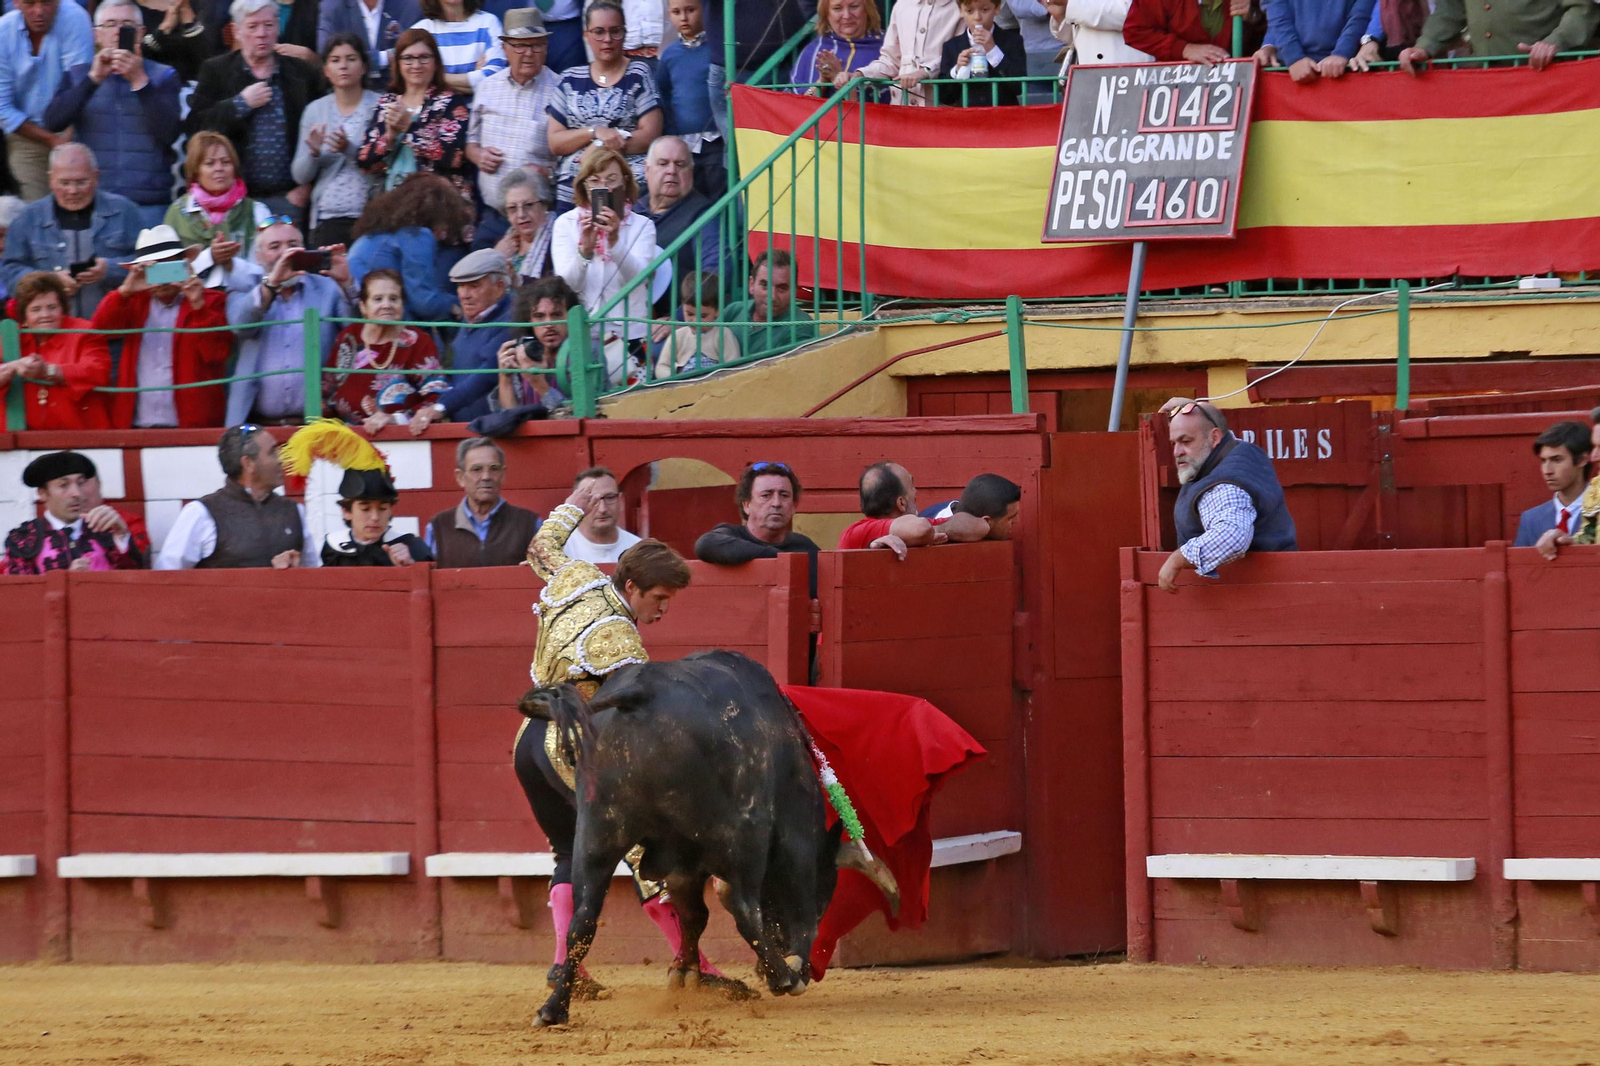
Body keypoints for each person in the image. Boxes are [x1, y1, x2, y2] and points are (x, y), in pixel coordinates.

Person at [515, 485, 741, 1001]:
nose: (663, 610)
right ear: (634, 585)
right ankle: (695, 965)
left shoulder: (575, 576)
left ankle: (564, 969)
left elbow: (539, 546)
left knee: (569, 851)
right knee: (645, 849)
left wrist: (574, 501)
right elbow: (638, 707)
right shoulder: (621, 638)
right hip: (569, 742)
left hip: (528, 741)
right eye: (659, 599)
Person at [42, 0, 182, 229]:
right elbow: (53, 121)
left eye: (127, 25)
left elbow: (169, 133)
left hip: (149, 203)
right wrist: (92, 80)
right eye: (110, 24)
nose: (118, 32)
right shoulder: (78, 74)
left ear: (141, 33)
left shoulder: (163, 75)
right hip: (95, 204)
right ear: (96, 35)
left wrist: (140, 81)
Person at [187, 0, 326, 218]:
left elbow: (321, 130)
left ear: (278, 27)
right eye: (253, 26)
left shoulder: (301, 74)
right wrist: (240, 104)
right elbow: (196, 127)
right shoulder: (216, 71)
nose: (262, 34)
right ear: (236, 31)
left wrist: (306, 188)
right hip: (234, 201)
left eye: (269, 25)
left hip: (290, 198)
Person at [93, 225, 232, 430]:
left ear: (183, 265)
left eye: (168, 266)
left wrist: (198, 305)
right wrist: (124, 291)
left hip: (192, 423)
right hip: (137, 422)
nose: (163, 276)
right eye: (154, 268)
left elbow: (218, 354)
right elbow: (100, 328)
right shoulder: (132, 301)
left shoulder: (210, 300)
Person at [1157, 399, 1298, 592]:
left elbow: (1232, 537)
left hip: (1255, 596)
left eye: (1186, 441)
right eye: (1174, 443)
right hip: (1279, 586)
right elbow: (1224, 434)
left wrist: (1176, 560)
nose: (1176, 452)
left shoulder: (1223, 486)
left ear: (1214, 438)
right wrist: (1195, 407)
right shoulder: (1241, 450)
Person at [224, 220, 355, 426]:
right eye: (274, 247)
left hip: (318, 424)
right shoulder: (244, 286)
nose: (286, 253)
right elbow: (240, 326)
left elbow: (357, 333)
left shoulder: (327, 287)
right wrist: (272, 284)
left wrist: (347, 283)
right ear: (258, 257)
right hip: (257, 427)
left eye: (292, 245)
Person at [552, 146, 658, 385]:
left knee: (633, 410)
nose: (605, 187)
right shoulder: (565, 224)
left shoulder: (643, 226)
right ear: (584, 187)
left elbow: (640, 278)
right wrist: (585, 252)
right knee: (590, 407)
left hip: (632, 336)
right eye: (595, 181)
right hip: (585, 337)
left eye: (612, 180)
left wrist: (614, 241)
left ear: (625, 182)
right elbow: (565, 286)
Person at [0, 144, 143, 320]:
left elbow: (148, 265)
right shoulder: (27, 219)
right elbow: (10, 272)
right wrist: (49, 281)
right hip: (53, 335)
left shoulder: (125, 211)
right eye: (64, 183)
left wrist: (109, 269)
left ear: (96, 177)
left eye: (81, 182)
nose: (73, 191)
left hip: (117, 330)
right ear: (51, 180)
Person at [546, 0, 663, 211]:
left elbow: (650, 135)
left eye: (615, 31)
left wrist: (601, 147)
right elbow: (555, 141)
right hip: (576, 182)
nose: (607, 39)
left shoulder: (638, 73)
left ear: (625, 34)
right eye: (598, 32)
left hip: (625, 179)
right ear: (586, 35)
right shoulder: (569, 78)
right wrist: (595, 133)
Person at [156, 425, 321, 569]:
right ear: (248, 463)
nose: (281, 459)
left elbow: (313, 573)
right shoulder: (200, 514)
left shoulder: (293, 511)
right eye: (272, 452)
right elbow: (167, 578)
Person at [279, 418, 435, 565]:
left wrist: (411, 566)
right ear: (347, 511)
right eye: (365, 508)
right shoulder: (334, 549)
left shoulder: (412, 547)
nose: (375, 517)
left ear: (390, 511)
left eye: (382, 508)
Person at [466, 8, 560, 245]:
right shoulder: (487, 87)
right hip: (493, 216)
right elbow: (470, 142)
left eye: (536, 45)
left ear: (547, 47)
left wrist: (548, 173)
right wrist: (478, 155)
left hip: (540, 215)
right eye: (520, 45)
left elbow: (575, 157)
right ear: (505, 48)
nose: (528, 53)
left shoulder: (562, 90)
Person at [356, 28, 473, 199]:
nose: (416, 65)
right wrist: (390, 137)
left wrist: (409, 128)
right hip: (394, 203)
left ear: (436, 63)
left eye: (424, 57)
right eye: (408, 58)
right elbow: (365, 163)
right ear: (398, 63)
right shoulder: (386, 103)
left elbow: (452, 157)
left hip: (440, 203)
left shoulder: (451, 102)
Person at [323, 267, 446, 430]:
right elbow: (328, 390)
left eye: (394, 299)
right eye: (378, 299)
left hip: (401, 437)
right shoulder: (349, 337)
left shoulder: (418, 341)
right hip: (347, 436)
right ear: (363, 307)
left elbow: (437, 396)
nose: (386, 305)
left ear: (402, 305)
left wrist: (397, 419)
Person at [292, 33, 382, 250]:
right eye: (335, 60)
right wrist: (313, 153)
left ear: (363, 66)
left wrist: (348, 149)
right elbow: (299, 175)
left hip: (369, 214)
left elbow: (382, 163)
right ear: (325, 70)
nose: (343, 66)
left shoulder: (379, 105)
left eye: (351, 59)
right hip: (327, 216)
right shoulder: (315, 110)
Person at [408, 247, 515, 430]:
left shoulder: (512, 319)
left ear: (499, 288)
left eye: (474, 286)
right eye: (460, 286)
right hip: (464, 429)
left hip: (495, 433)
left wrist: (442, 407)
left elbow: (486, 375)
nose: (464, 295)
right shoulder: (472, 317)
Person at [345, 172, 474, 321]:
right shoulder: (417, 235)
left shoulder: (382, 232)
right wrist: (458, 304)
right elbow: (424, 302)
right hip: (379, 310)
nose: (445, 234)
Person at [0, 0, 93, 202]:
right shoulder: (3, 31)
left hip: (74, 128)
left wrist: (66, 137)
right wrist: (51, 140)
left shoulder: (75, 18)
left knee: (78, 201)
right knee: (34, 209)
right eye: (30, 3)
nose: (39, 11)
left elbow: (80, 85)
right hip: (25, 134)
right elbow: (2, 108)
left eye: (47, 3)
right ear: (16, 3)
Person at [0, 271, 110, 431]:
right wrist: (12, 368)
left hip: (80, 432)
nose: (45, 315)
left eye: (52, 307)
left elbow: (98, 371)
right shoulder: (8, 337)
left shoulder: (84, 331)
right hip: (19, 440)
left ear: (63, 309)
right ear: (23, 316)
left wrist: (48, 371)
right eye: (36, 309)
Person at [164, 131, 275, 288]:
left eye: (226, 162)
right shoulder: (176, 213)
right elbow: (164, 274)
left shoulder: (257, 211)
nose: (219, 169)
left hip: (245, 298)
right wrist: (209, 257)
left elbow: (269, 272)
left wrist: (232, 264)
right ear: (196, 171)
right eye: (210, 163)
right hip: (192, 301)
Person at [2, 451, 140, 574]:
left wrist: (122, 535)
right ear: (43, 493)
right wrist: (66, 583)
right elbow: (19, 597)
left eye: (80, 483)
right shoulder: (24, 538)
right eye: (63, 485)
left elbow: (136, 586)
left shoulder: (107, 531)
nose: (77, 493)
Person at [424, 435, 541, 566]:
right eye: (476, 469)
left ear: (502, 475)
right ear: (460, 477)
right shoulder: (439, 526)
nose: (486, 477)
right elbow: (425, 571)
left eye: (494, 469)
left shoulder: (529, 523)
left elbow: (554, 573)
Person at [838, 460, 991, 555]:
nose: (916, 492)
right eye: (912, 486)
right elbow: (920, 529)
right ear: (902, 504)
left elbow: (981, 527)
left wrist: (935, 531)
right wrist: (929, 533)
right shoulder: (855, 532)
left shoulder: (922, 525)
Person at [1396, 0, 1592, 73]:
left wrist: (1556, 41)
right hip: (1489, 81)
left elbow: (1584, 8)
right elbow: (1450, 10)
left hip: (1549, 74)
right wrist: (1424, 47)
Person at [694, 461, 819, 570]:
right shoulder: (730, 535)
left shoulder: (805, 548)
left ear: (794, 506)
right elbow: (705, 545)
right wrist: (781, 559)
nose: (776, 503)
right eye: (766, 495)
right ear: (747, 505)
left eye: (784, 495)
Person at [656, 0, 724, 196]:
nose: (684, 18)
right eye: (676, 12)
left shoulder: (717, 48)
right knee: (689, 198)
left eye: (690, 10)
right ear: (669, 14)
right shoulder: (669, 55)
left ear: (704, 9)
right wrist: (670, 131)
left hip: (714, 140)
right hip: (682, 145)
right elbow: (663, 94)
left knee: (716, 193)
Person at [838, 0, 960, 105]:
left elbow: (959, 52)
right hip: (901, 107)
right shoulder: (902, 5)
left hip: (939, 108)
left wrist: (926, 71)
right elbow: (890, 60)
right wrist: (861, 75)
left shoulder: (958, 6)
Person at [638, 135, 720, 287]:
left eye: (680, 165)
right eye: (663, 163)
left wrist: (685, 311)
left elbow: (715, 269)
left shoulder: (703, 214)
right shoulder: (629, 205)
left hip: (675, 308)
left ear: (691, 172)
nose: (672, 171)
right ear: (647, 169)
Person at [492, 274, 576, 412]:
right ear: (529, 321)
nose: (548, 324)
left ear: (571, 316)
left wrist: (538, 384)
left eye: (556, 315)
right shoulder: (523, 353)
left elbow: (576, 418)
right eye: (539, 316)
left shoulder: (587, 351)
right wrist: (505, 377)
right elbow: (508, 420)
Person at [720, 249, 818, 359]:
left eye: (782, 288)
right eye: (765, 285)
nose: (772, 297)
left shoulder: (800, 326)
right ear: (751, 284)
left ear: (794, 291)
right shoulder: (734, 310)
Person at [1513, 420, 1592, 548]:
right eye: (1543, 461)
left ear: (1582, 460)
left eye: (1557, 460)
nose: (1547, 470)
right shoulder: (1531, 519)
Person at [1252, 0, 1372, 83]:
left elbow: (1360, 15)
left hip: (1347, 69)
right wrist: (1294, 57)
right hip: (1287, 70)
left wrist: (1341, 53)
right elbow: (1277, 15)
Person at [317, 0, 422, 90]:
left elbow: (417, 50)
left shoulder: (411, 5)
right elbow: (326, 53)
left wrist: (353, 59)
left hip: (400, 92)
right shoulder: (333, 6)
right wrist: (385, 57)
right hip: (350, 93)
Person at [939, 0, 1027, 106]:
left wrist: (993, 50)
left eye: (985, 10)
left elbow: (1019, 87)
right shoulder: (952, 46)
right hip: (968, 118)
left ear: (997, 8)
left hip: (1003, 117)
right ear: (961, 11)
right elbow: (945, 97)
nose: (977, 17)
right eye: (969, 11)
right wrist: (957, 70)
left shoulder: (1012, 41)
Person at [793, 0, 885, 101]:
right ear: (826, 13)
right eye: (837, 8)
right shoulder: (814, 51)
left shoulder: (886, 47)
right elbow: (799, 106)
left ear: (867, 9)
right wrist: (822, 81)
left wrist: (842, 80)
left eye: (853, 7)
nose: (846, 16)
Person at [654, 270, 738, 378]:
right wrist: (675, 376)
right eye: (689, 314)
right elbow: (662, 367)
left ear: (717, 311)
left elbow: (734, 366)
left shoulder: (723, 334)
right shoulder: (677, 336)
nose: (695, 321)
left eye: (703, 316)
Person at [411, 0, 506, 92]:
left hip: (481, 107)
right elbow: (412, 80)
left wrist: (436, 78)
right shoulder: (420, 31)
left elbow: (496, 77)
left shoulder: (488, 22)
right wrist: (475, 82)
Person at [1123, 0, 1263, 63]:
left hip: (1240, 88)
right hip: (1176, 88)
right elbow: (1135, 31)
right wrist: (1184, 49)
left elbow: (1277, 29)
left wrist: (1252, 15)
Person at [560, 466, 641, 564]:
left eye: (610, 498)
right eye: (592, 500)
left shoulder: (638, 549)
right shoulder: (561, 550)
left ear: (620, 500)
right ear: (578, 504)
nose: (602, 509)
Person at [492, 168, 555, 281]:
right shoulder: (502, 244)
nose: (521, 214)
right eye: (512, 208)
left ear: (544, 204)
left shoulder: (559, 239)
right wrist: (496, 256)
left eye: (528, 205)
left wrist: (517, 281)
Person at [1044, 0, 1152, 66]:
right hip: (1090, 77)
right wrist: (1061, 14)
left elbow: (1136, 14)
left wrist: (1072, 3)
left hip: (1129, 72)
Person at [918, 472, 1022, 540]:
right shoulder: (928, 521)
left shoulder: (974, 507)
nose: (1016, 521)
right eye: (1011, 517)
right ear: (986, 522)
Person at [134, 0, 209, 84]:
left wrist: (186, 13)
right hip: (149, 85)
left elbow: (206, 59)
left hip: (193, 85)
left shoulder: (199, 5)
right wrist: (165, 27)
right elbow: (134, 55)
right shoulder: (124, 8)